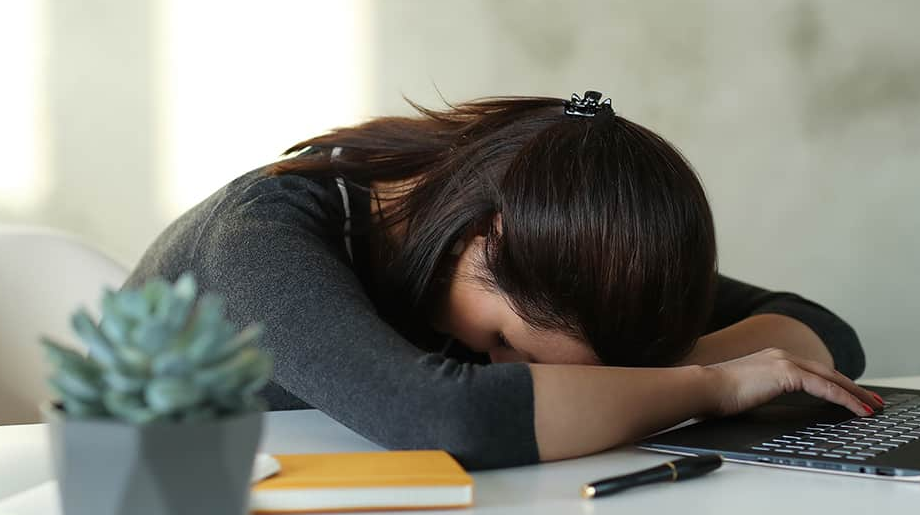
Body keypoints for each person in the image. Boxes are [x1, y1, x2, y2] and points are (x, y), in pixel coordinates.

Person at [126, 91, 881, 470]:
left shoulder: (549, 253)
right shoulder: (261, 238)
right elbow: (439, 419)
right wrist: (711, 385)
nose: (512, 375)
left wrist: (644, 373)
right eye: (505, 344)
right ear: (481, 234)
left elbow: (819, 329)